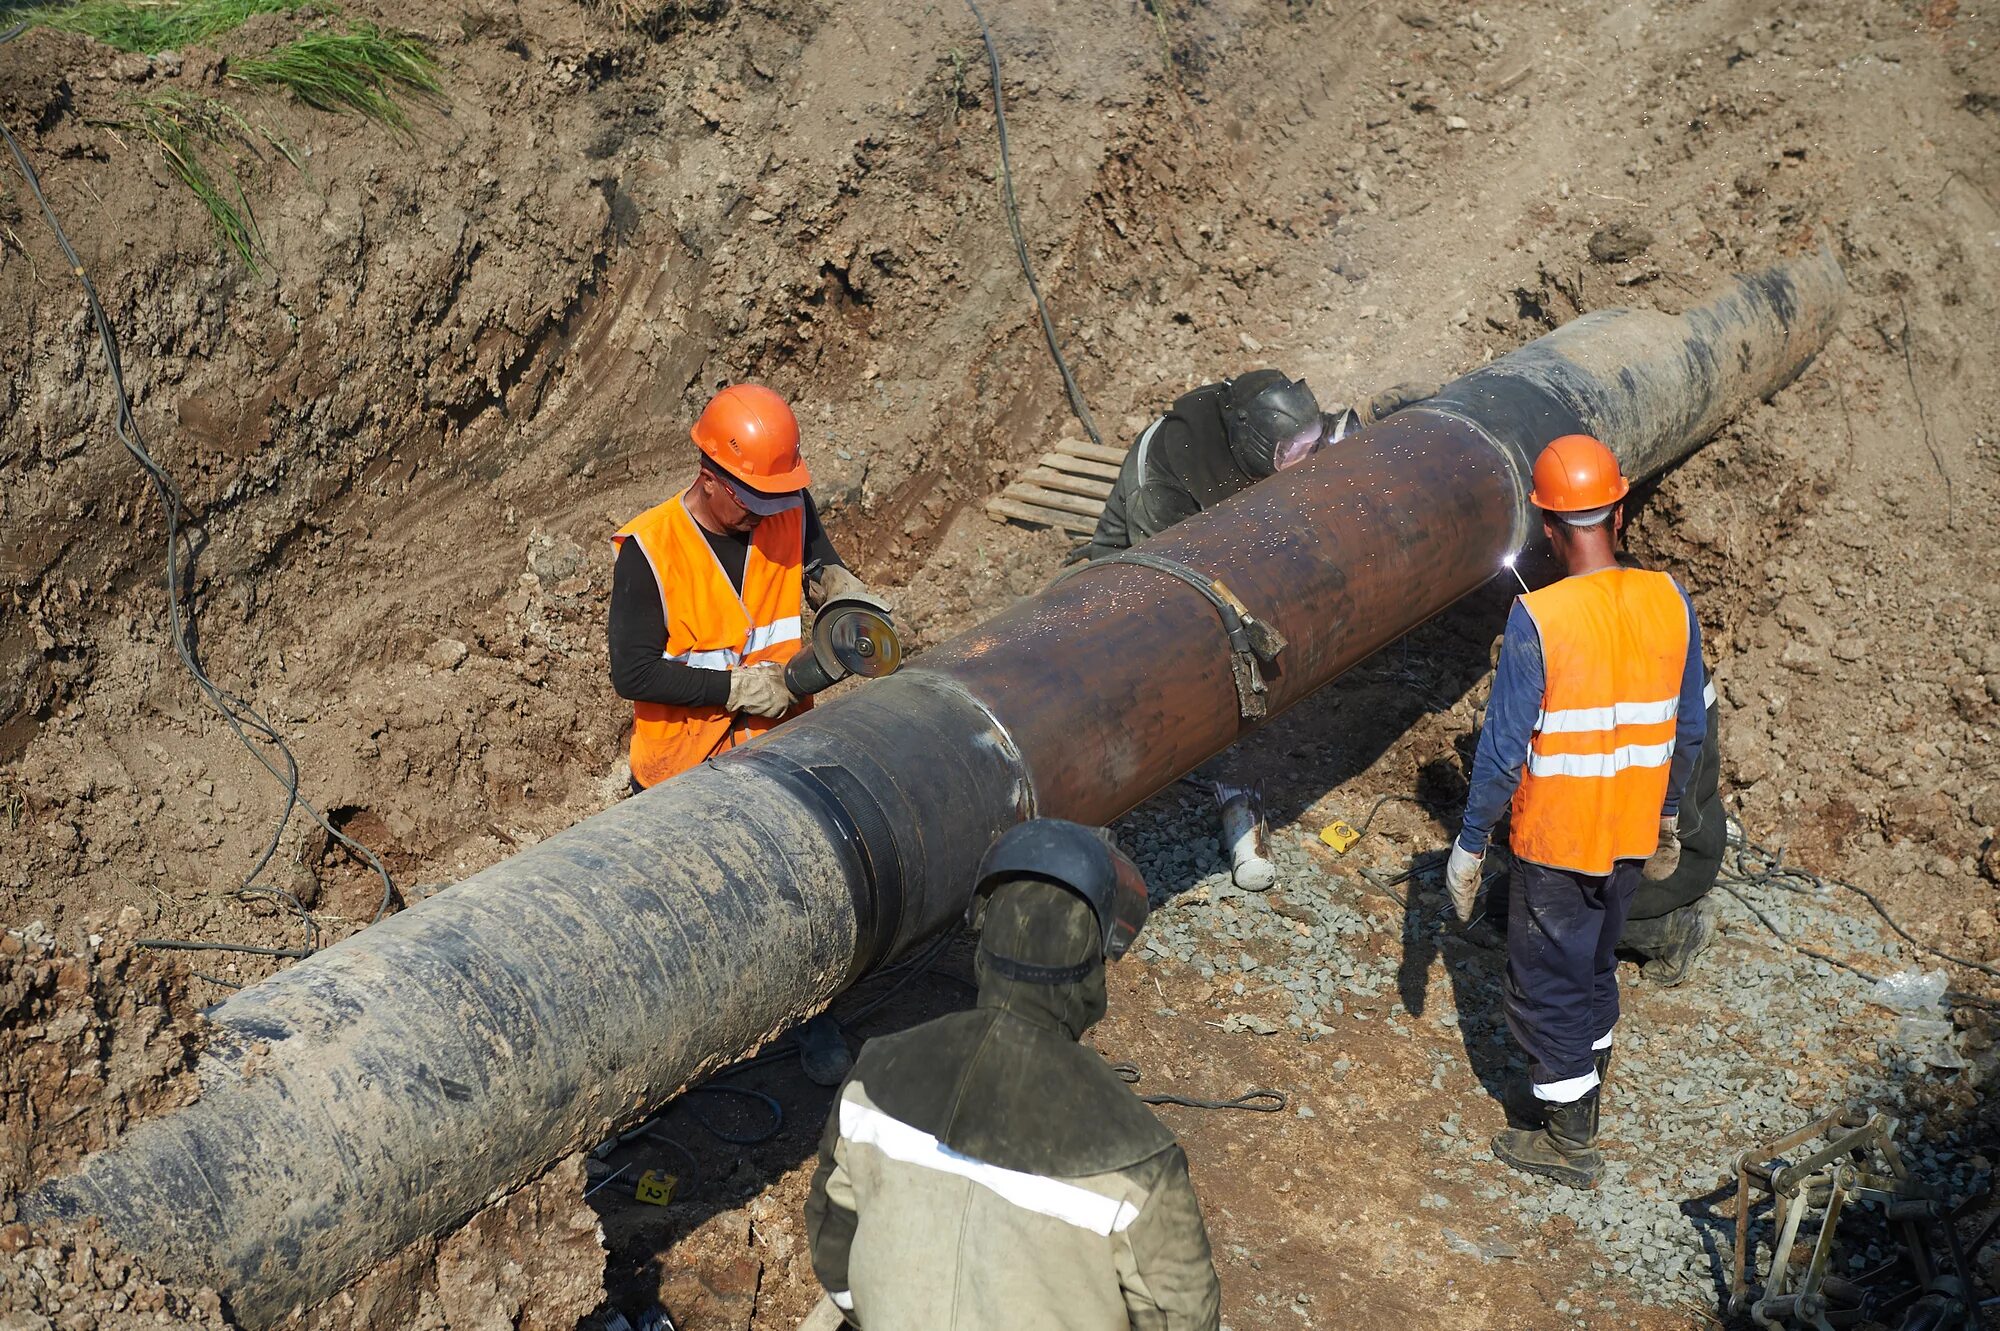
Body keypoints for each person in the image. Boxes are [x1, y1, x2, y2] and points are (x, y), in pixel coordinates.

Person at [804, 819, 1222, 1331]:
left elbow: (832, 1247)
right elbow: (1181, 1318)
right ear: (1092, 973)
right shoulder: (1139, 1153)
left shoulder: (877, 1069)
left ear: (983, 954)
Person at [1443, 434, 1706, 1189]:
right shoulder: (1670, 599)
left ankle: (1567, 1136)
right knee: (1594, 961)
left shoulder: (1541, 617)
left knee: (1546, 978)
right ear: (1618, 513)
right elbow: (1689, 728)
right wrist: (1662, 816)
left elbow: (1501, 753)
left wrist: (1468, 845)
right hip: (1629, 832)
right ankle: (1589, 1086)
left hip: (1559, 839)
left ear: (1551, 529)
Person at [608, 382, 874, 792]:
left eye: (776, 499)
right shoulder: (649, 552)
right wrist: (736, 688)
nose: (767, 514)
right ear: (709, 479)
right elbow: (634, 675)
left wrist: (837, 589)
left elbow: (820, 564)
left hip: (780, 750)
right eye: (754, 502)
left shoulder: (789, 507)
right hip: (682, 777)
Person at [1074, 370, 1437, 563]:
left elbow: (1314, 437)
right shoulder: (1162, 487)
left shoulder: (1260, 425)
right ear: (1254, 448)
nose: (1305, 458)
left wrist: (1362, 418)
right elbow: (1164, 572)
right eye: (1293, 451)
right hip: (1136, 556)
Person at [1617, 668, 1723, 985]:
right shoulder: (1673, 638)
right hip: (1698, 847)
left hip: (1667, 867)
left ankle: (1669, 929)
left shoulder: (1630, 679)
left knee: (1531, 915)